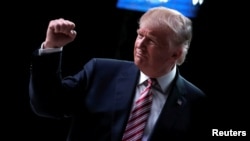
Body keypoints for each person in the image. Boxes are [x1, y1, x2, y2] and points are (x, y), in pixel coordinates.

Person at [29, 6, 208, 141]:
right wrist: (52, 48)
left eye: (151, 40)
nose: (140, 44)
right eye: (140, 35)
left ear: (176, 54)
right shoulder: (100, 72)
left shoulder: (196, 102)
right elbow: (47, 105)